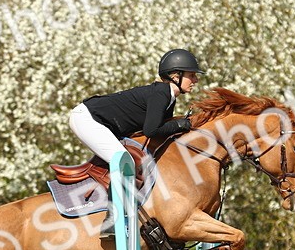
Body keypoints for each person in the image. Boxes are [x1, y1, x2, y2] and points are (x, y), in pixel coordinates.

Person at [68, 48, 203, 173]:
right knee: (124, 163)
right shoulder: (161, 93)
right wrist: (180, 124)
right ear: (176, 76)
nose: (195, 80)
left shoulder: (168, 97)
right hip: (87, 119)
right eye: (191, 75)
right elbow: (151, 130)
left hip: (98, 121)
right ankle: (114, 201)